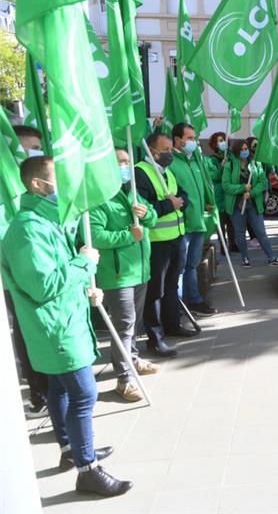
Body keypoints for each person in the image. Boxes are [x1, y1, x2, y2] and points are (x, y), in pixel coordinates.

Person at [2, 156, 133, 496]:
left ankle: (71, 451)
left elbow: (57, 278)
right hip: (56, 329)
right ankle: (87, 470)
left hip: (64, 321)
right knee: (83, 393)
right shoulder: (29, 229)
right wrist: (83, 263)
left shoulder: (44, 223)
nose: (64, 187)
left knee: (61, 389)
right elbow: (43, 285)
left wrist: (83, 286)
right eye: (56, 180)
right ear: (36, 185)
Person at [89, 148, 160, 402]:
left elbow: (151, 218)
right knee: (124, 325)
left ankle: (132, 358)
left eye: (127, 162)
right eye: (120, 162)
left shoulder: (133, 192)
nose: (125, 166)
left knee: (133, 322)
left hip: (139, 269)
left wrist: (147, 213)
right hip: (117, 274)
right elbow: (94, 236)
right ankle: (124, 378)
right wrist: (129, 235)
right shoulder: (98, 199)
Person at [136, 133, 197, 358]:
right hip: (156, 242)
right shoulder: (140, 172)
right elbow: (144, 208)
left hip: (176, 238)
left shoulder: (166, 172)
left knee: (171, 286)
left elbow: (182, 194)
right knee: (155, 291)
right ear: (153, 151)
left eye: (171, 149)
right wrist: (170, 205)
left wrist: (180, 202)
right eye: (166, 150)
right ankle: (155, 338)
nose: (170, 154)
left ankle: (173, 325)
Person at [6, 126, 50, 417]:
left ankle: (48, 390)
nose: (35, 152)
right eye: (29, 147)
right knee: (25, 334)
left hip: (39, 269)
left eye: (37, 146)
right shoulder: (8, 182)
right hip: (18, 274)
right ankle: (39, 395)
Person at [169, 123, 217, 316]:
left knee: (192, 265)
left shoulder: (195, 161)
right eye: (189, 138)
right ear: (178, 140)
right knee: (178, 268)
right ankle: (176, 306)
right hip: (182, 225)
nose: (194, 142)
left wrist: (205, 203)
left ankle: (194, 300)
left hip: (198, 223)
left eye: (194, 138)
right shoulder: (171, 163)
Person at [222, 140, 278, 267]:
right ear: (236, 151)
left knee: (261, 232)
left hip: (254, 204)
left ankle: (272, 257)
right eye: (242, 149)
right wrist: (242, 188)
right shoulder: (230, 166)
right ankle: (245, 258)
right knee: (240, 233)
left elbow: (263, 182)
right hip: (236, 206)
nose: (245, 151)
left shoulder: (255, 164)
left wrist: (252, 193)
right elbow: (226, 186)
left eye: (246, 149)